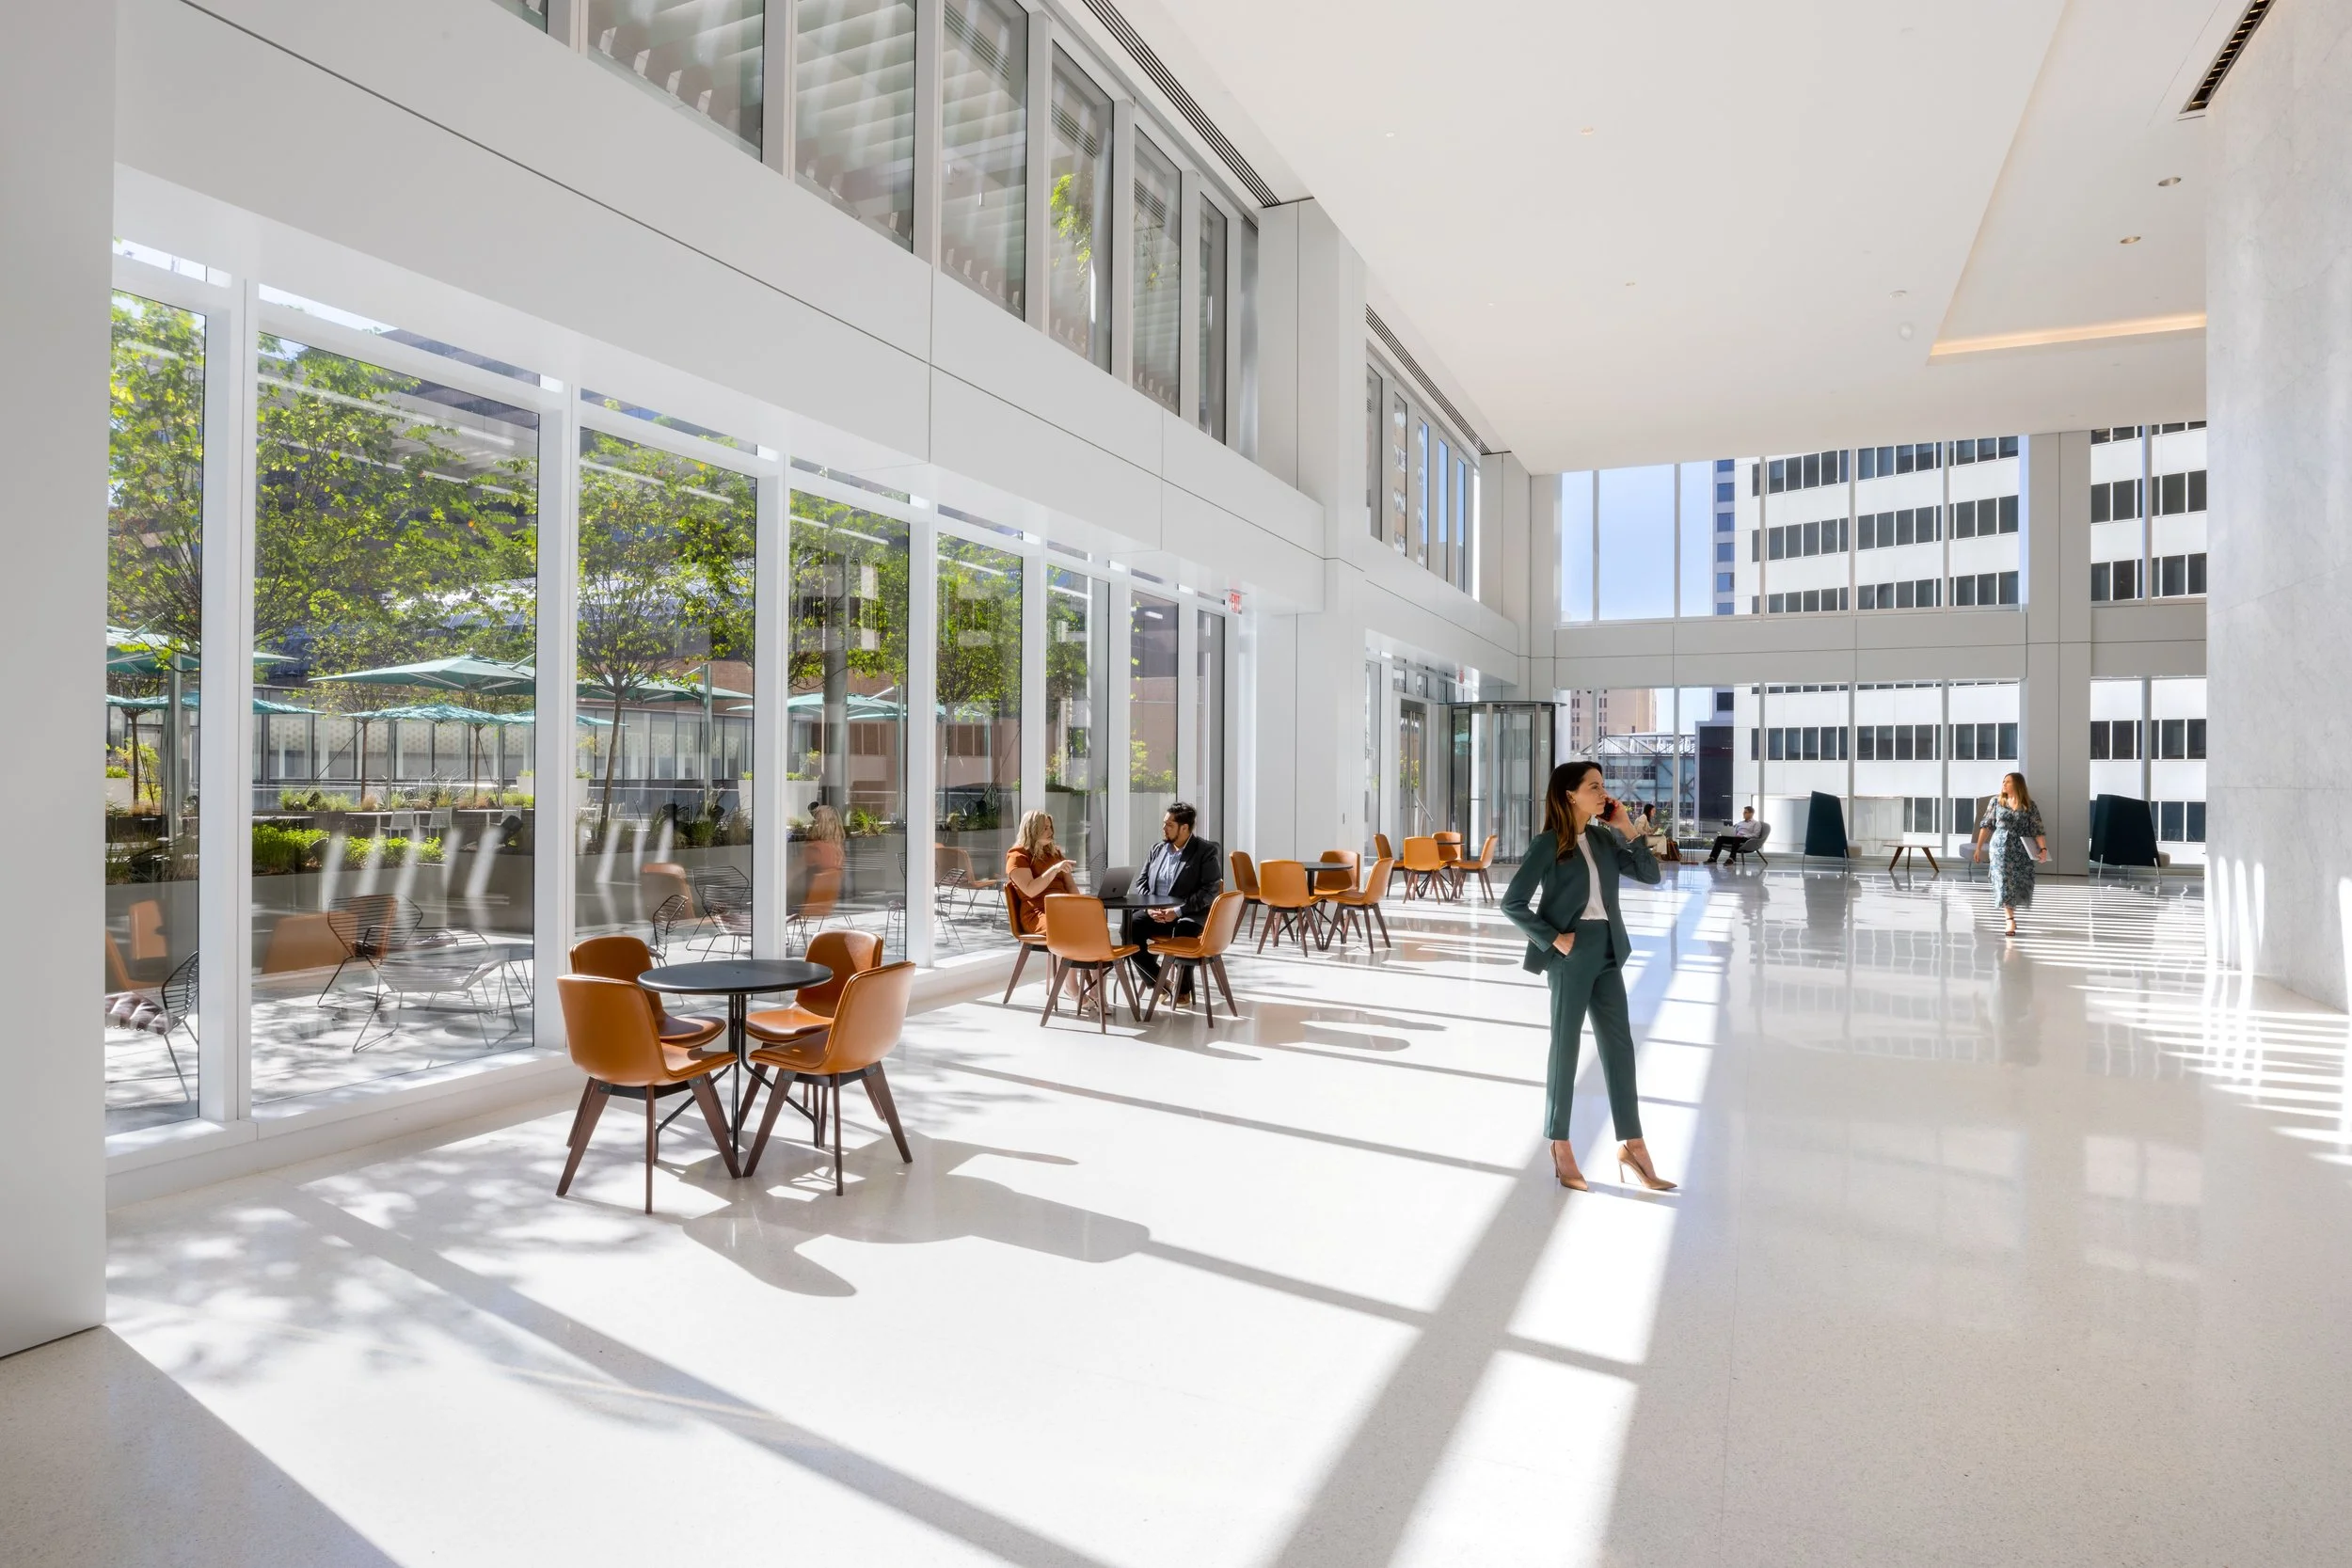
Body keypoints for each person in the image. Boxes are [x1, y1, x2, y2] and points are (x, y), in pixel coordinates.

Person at [1502, 760, 1676, 1194]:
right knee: (1566, 1046)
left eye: (1603, 786)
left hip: (1608, 949)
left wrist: (1626, 826)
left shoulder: (1601, 837)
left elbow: (1651, 875)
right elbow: (1513, 902)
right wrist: (1553, 939)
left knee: (1619, 1047)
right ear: (1570, 795)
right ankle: (1559, 1143)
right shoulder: (1548, 844)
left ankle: (1633, 1145)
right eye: (1594, 786)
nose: (1603, 792)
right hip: (1572, 951)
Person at [1123, 802, 1221, 990]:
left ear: (1184, 828)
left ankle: (1183, 990)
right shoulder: (1157, 849)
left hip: (1188, 913)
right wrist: (1149, 907)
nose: (1164, 828)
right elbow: (1142, 883)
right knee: (1128, 929)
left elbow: (1210, 890)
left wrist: (1176, 911)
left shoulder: (1205, 851)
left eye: (1169, 825)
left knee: (1184, 930)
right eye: (1164, 823)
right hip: (1155, 912)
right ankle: (1161, 982)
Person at [1974, 772, 2047, 936]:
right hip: (2000, 848)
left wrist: (2043, 849)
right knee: (2004, 882)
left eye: (2008, 782)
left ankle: (2012, 915)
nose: (2004, 784)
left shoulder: (2029, 805)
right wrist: (1979, 848)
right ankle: (2010, 920)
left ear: (2017, 785)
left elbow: (2037, 830)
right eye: (2003, 782)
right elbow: (1986, 826)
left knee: (2019, 882)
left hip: (2022, 849)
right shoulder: (1996, 802)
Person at [1002, 809, 1077, 935]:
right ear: (1032, 829)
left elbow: (1070, 885)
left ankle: (1092, 954)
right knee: (1067, 926)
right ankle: (1075, 954)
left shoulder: (1054, 852)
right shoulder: (1017, 855)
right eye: (1045, 828)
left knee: (1094, 922)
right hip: (1038, 913)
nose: (1051, 831)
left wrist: (1081, 906)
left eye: (1050, 827)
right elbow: (1030, 890)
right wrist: (1054, 869)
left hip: (1063, 909)